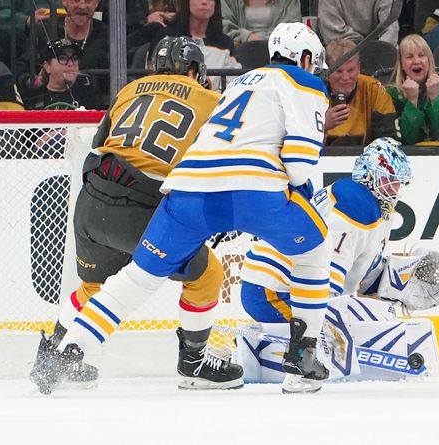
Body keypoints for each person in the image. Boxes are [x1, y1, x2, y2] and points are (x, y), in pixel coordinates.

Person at [31, 22, 334, 395]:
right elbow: (298, 165)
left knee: (125, 281)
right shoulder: (254, 89)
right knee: (307, 250)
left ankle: (65, 351)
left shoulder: (152, 88)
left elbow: (99, 142)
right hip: (211, 191)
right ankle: (292, 359)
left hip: (135, 193)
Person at [33, 36, 238, 390]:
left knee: (94, 287)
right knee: (207, 275)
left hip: (92, 200)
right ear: (194, 69)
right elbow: (223, 162)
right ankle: (193, 362)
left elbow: (100, 142)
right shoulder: (212, 100)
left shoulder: (128, 90)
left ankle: (50, 355)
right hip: (140, 209)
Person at [238, 138, 439, 383]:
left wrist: (397, 281)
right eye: (388, 183)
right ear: (368, 177)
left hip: (282, 285)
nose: (394, 191)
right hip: (273, 290)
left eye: (399, 185)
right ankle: (293, 370)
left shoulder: (374, 207)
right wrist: (330, 331)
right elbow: (328, 269)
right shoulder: (356, 204)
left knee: (346, 329)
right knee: (325, 354)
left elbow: (359, 274)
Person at [16, 0, 110, 105]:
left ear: (97, 1)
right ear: (64, 0)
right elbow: (22, 69)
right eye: (76, 0)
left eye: (88, 1)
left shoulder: (108, 35)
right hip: (48, 106)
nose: (82, 6)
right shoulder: (44, 30)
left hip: (95, 108)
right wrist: (32, 81)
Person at [157, 0, 241, 91]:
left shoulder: (225, 44)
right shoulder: (167, 38)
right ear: (187, 1)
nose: (205, 1)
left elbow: (235, 83)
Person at [324, 39, 399, 146]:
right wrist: (323, 125)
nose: (345, 77)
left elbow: (388, 139)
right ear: (327, 70)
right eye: (338, 71)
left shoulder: (374, 89)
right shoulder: (314, 91)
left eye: (350, 70)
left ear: (359, 67)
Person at [386, 34, 439, 145]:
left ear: (429, 60)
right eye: (409, 57)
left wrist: (435, 98)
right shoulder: (392, 94)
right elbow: (407, 140)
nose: (416, 61)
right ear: (402, 64)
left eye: (421, 55)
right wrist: (412, 102)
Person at [20, 38, 104, 110]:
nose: (71, 64)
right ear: (47, 66)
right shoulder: (31, 98)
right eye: (63, 58)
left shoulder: (90, 96)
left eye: (74, 59)